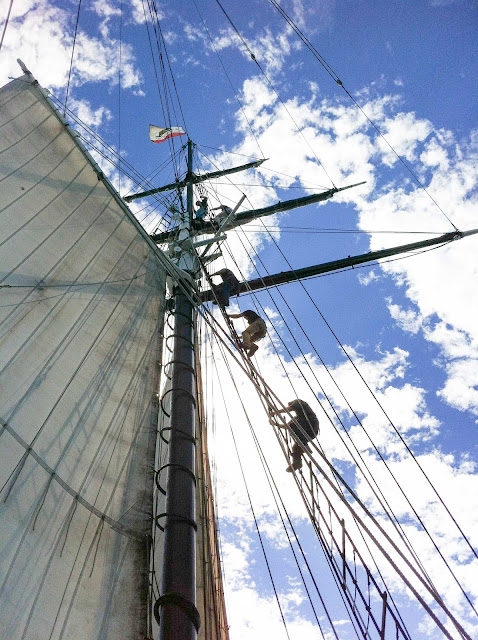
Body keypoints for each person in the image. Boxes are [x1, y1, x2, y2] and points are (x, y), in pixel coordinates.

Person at [270, 399, 319, 472]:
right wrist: (276, 424)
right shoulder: (297, 417)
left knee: (293, 426)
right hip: (309, 433)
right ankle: (297, 463)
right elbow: (287, 426)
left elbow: (289, 409)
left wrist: (275, 412)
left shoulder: (300, 402)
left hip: (311, 425)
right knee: (295, 447)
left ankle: (305, 446)